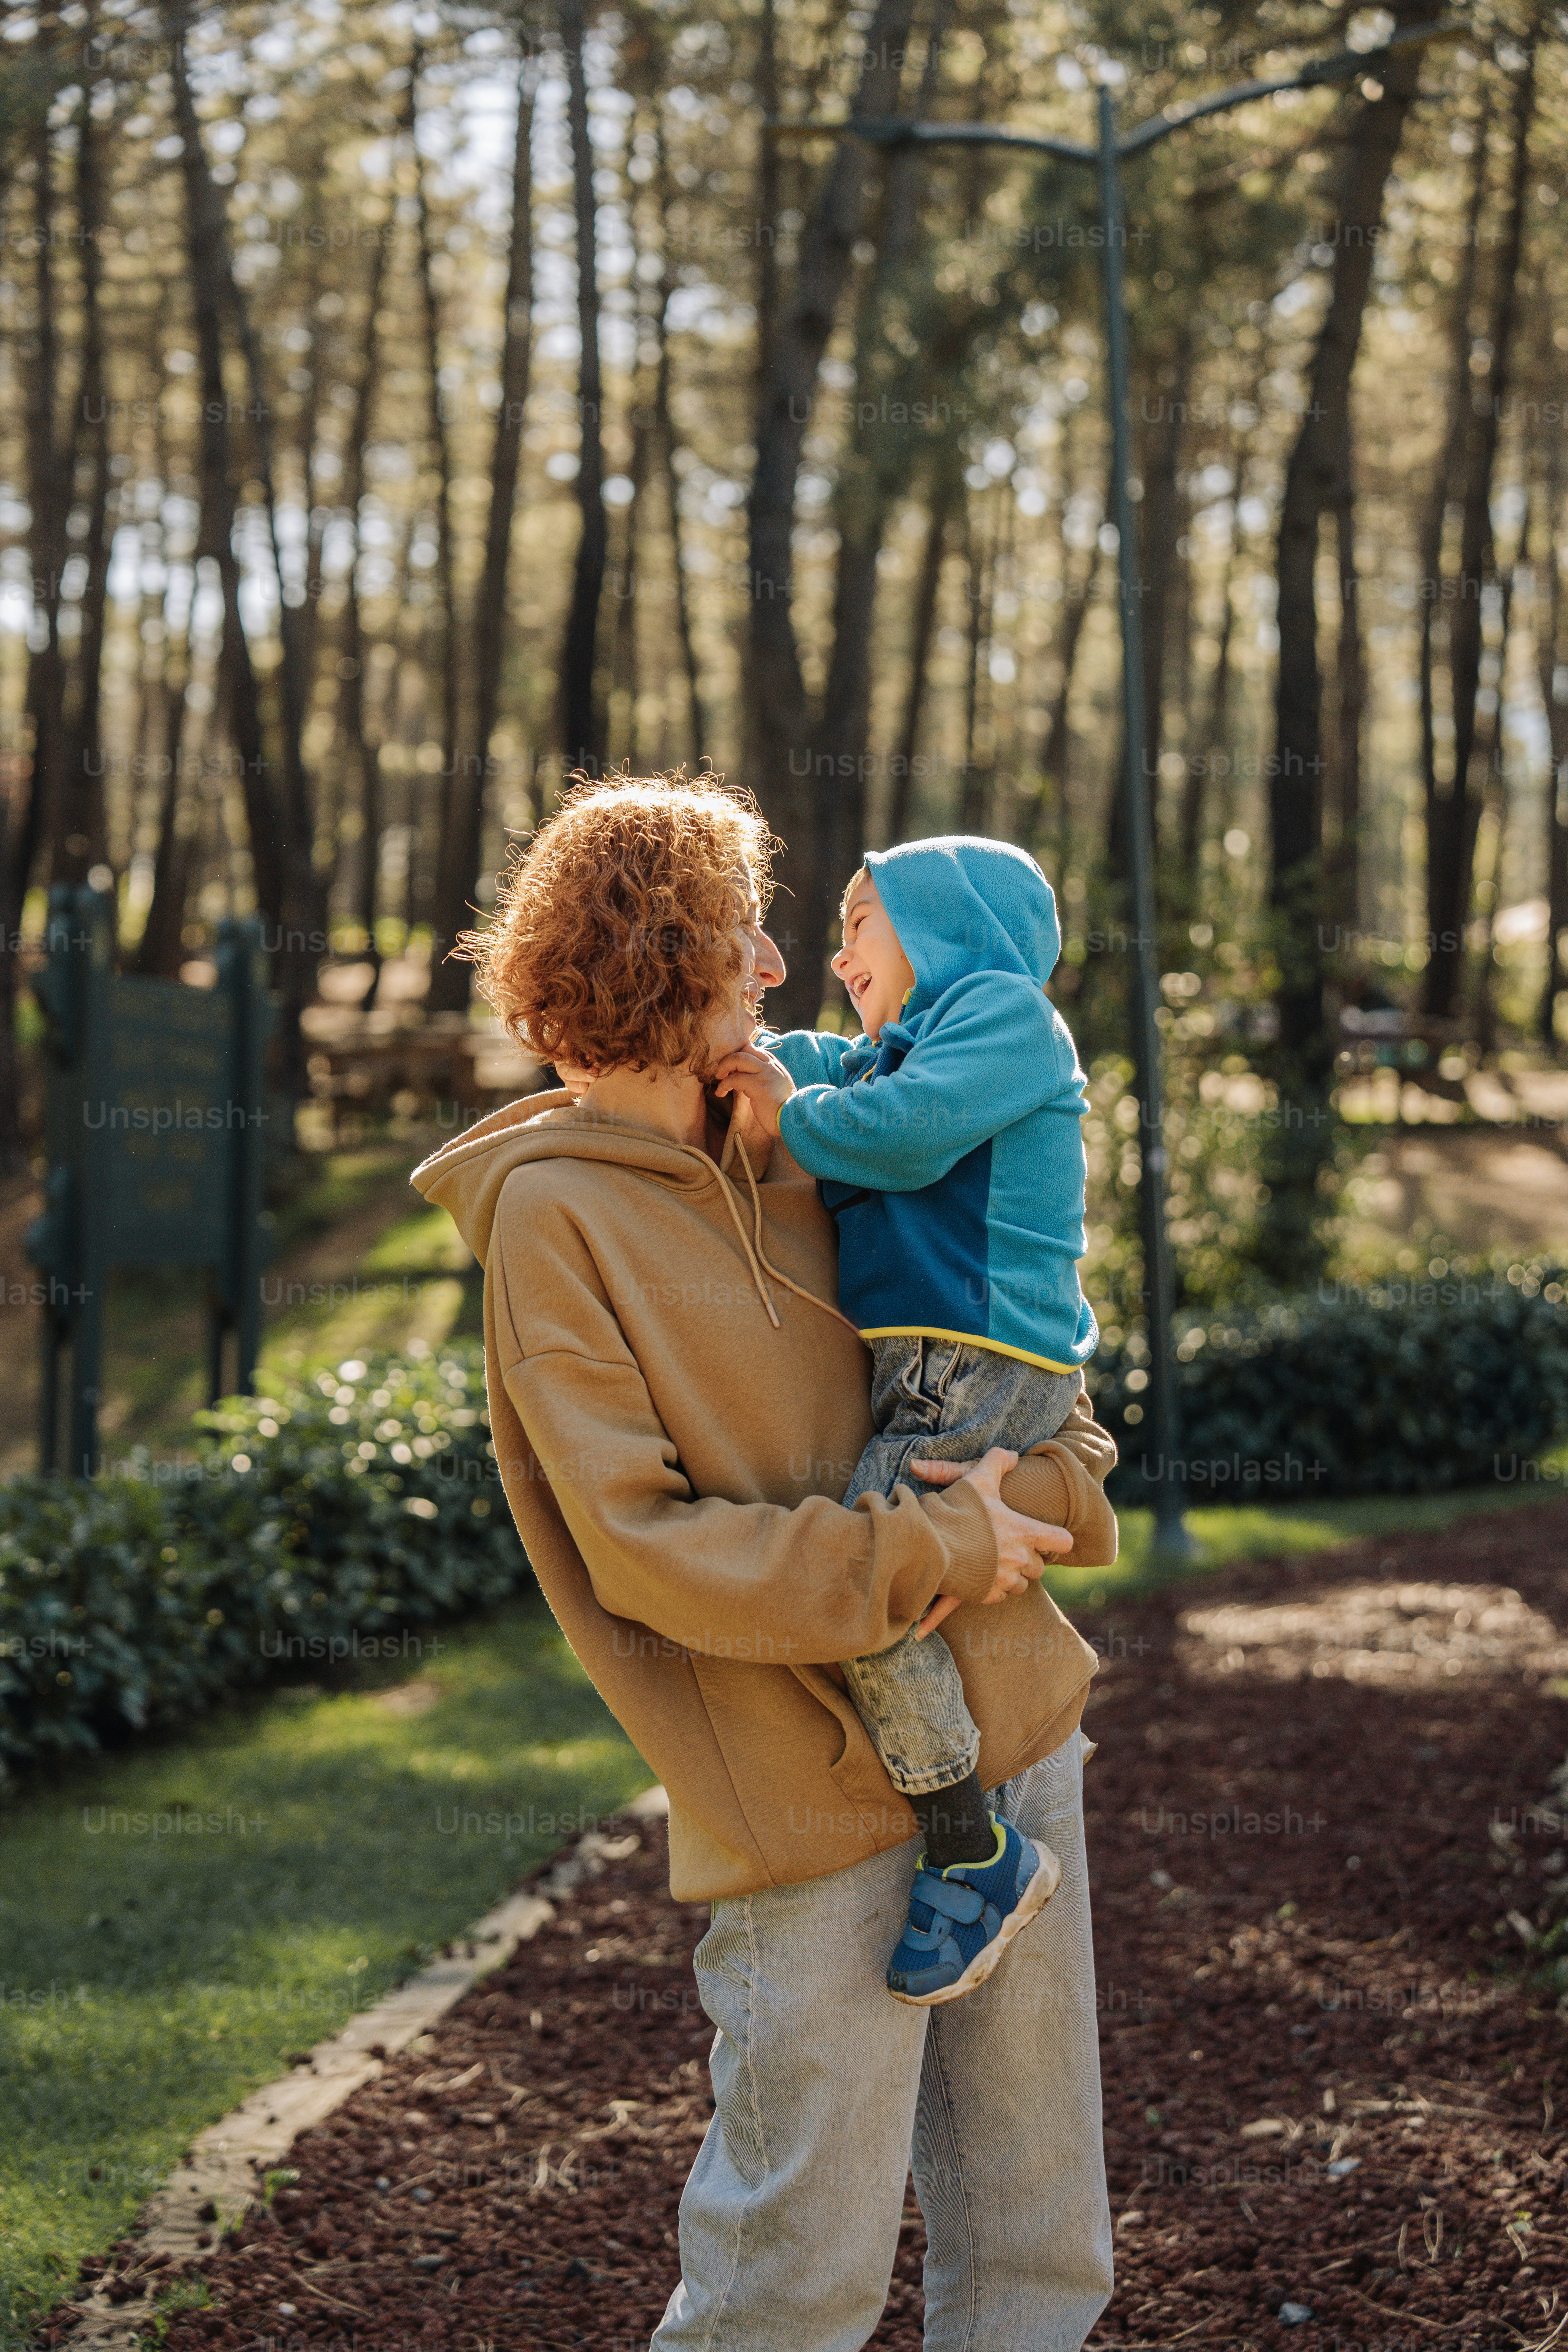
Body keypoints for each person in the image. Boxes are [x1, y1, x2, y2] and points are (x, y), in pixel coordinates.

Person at [411, 773, 1117, 2349]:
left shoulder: (818, 1138)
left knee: (1038, 2247)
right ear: (665, 956)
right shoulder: (552, 1224)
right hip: (803, 1804)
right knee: (791, 2279)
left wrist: (1053, 1493)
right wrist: (943, 1533)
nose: (781, 972)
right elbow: (648, 1551)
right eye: (747, 937)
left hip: (1015, 1728)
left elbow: (1019, 1368)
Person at [711, 837, 1098, 2008]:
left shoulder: (1004, 1015)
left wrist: (794, 1107)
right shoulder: (905, 1045)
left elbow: (904, 1131)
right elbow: (828, 1064)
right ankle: (962, 1832)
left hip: (976, 1358)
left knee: (858, 1581)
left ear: (946, 922)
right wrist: (745, 1059)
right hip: (943, 1364)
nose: (838, 951)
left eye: (864, 919)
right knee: (866, 1574)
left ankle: (968, 1846)